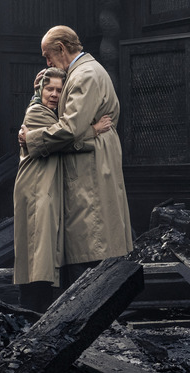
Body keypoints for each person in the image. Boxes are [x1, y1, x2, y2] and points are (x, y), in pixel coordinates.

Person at [19, 25, 133, 289]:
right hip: (93, 156)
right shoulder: (85, 71)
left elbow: (70, 128)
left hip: (90, 163)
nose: (47, 62)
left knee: (89, 234)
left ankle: (88, 302)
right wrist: (41, 88)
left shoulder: (84, 75)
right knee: (92, 233)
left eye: (48, 56)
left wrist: (31, 139)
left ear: (61, 49)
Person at [13, 67, 112, 312]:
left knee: (43, 248)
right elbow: (64, 138)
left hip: (45, 187)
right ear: (40, 90)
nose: (55, 94)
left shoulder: (51, 113)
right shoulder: (37, 112)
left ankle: (39, 307)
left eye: (59, 90)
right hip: (36, 188)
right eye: (49, 89)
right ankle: (32, 308)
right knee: (38, 248)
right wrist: (93, 130)